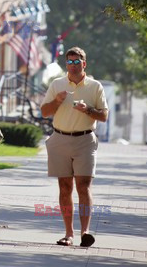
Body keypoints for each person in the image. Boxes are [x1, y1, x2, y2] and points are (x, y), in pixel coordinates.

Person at [41, 46, 108, 248]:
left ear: (84, 63)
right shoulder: (57, 84)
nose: (72, 65)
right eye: (69, 62)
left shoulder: (95, 86)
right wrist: (57, 101)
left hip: (85, 141)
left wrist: (88, 110)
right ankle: (68, 234)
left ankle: (85, 231)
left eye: (76, 62)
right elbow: (45, 111)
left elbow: (104, 116)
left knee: (83, 186)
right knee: (64, 187)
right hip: (60, 138)